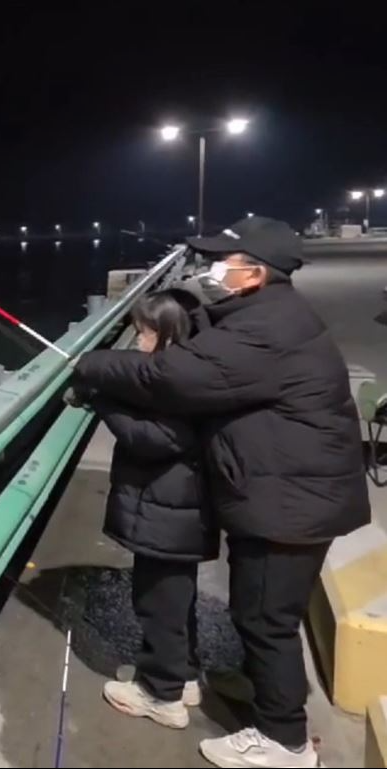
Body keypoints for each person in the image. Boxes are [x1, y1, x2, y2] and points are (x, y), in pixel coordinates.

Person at [73, 216, 371, 768]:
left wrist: (90, 364)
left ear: (253, 275)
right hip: (290, 489)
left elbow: (169, 376)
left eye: (221, 263)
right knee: (262, 612)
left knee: (265, 619)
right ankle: (260, 694)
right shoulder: (267, 313)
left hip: (291, 500)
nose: (211, 271)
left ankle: (284, 742)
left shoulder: (262, 329)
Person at [69, 290, 219, 730]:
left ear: (170, 333)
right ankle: (182, 677)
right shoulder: (195, 370)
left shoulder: (182, 386)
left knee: (158, 601)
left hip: (168, 511)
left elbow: (152, 438)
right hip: (181, 510)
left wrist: (100, 400)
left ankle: (160, 695)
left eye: (145, 333)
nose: (138, 342)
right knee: (176, 598)